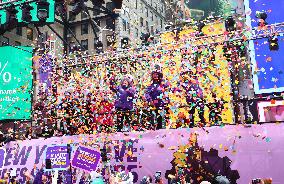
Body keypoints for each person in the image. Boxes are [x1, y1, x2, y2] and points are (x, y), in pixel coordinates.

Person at [144, 65, 170, 130]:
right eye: (154, 74)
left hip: (162, 104)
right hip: (153, 105)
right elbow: (147, 93)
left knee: (162, 119)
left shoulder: (163, 84)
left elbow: (168, 91)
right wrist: (150, 100)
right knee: (153, 119)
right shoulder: (150, 85)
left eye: (157, 74)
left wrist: (166, 99)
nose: (155, 76)